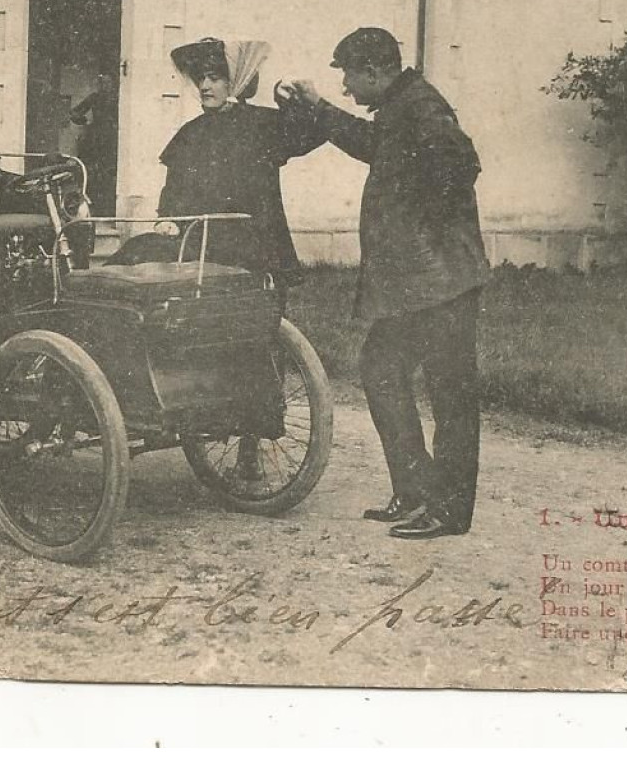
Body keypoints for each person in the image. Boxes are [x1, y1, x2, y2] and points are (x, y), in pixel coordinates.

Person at [279, 27, 491, 540]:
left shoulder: (423, 108)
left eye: (350, 76)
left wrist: (425, 228)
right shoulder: (402, 107)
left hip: (441, 284)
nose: (347, 86)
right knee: (380, 372)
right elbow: (375, 145)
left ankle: (448, 511)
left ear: (375, 71)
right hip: (418, 285)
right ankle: (416, 492)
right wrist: (319, 107)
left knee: (450, 394)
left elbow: (460, 166)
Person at [150, 37, 323, 291]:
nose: (204, 86)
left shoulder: (262, 124)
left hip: (254, 239)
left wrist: (289, 104)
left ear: (237, 81)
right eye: (201, 79)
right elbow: (173, 187)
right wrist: (166, 219)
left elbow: (312, 134)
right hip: (200, 239)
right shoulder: (191, 132)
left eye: (214, 78)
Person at [68, 71, 118, 216]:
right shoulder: (95, 97)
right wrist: (86, 123)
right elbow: (74, 113)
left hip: (112, 140)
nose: (105, 86)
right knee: (92, 173)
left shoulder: (118, 98)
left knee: (109, 174)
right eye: (103, 83)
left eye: (108, 83)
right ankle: (94, 207)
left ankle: (106, 209)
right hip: (98, 139)